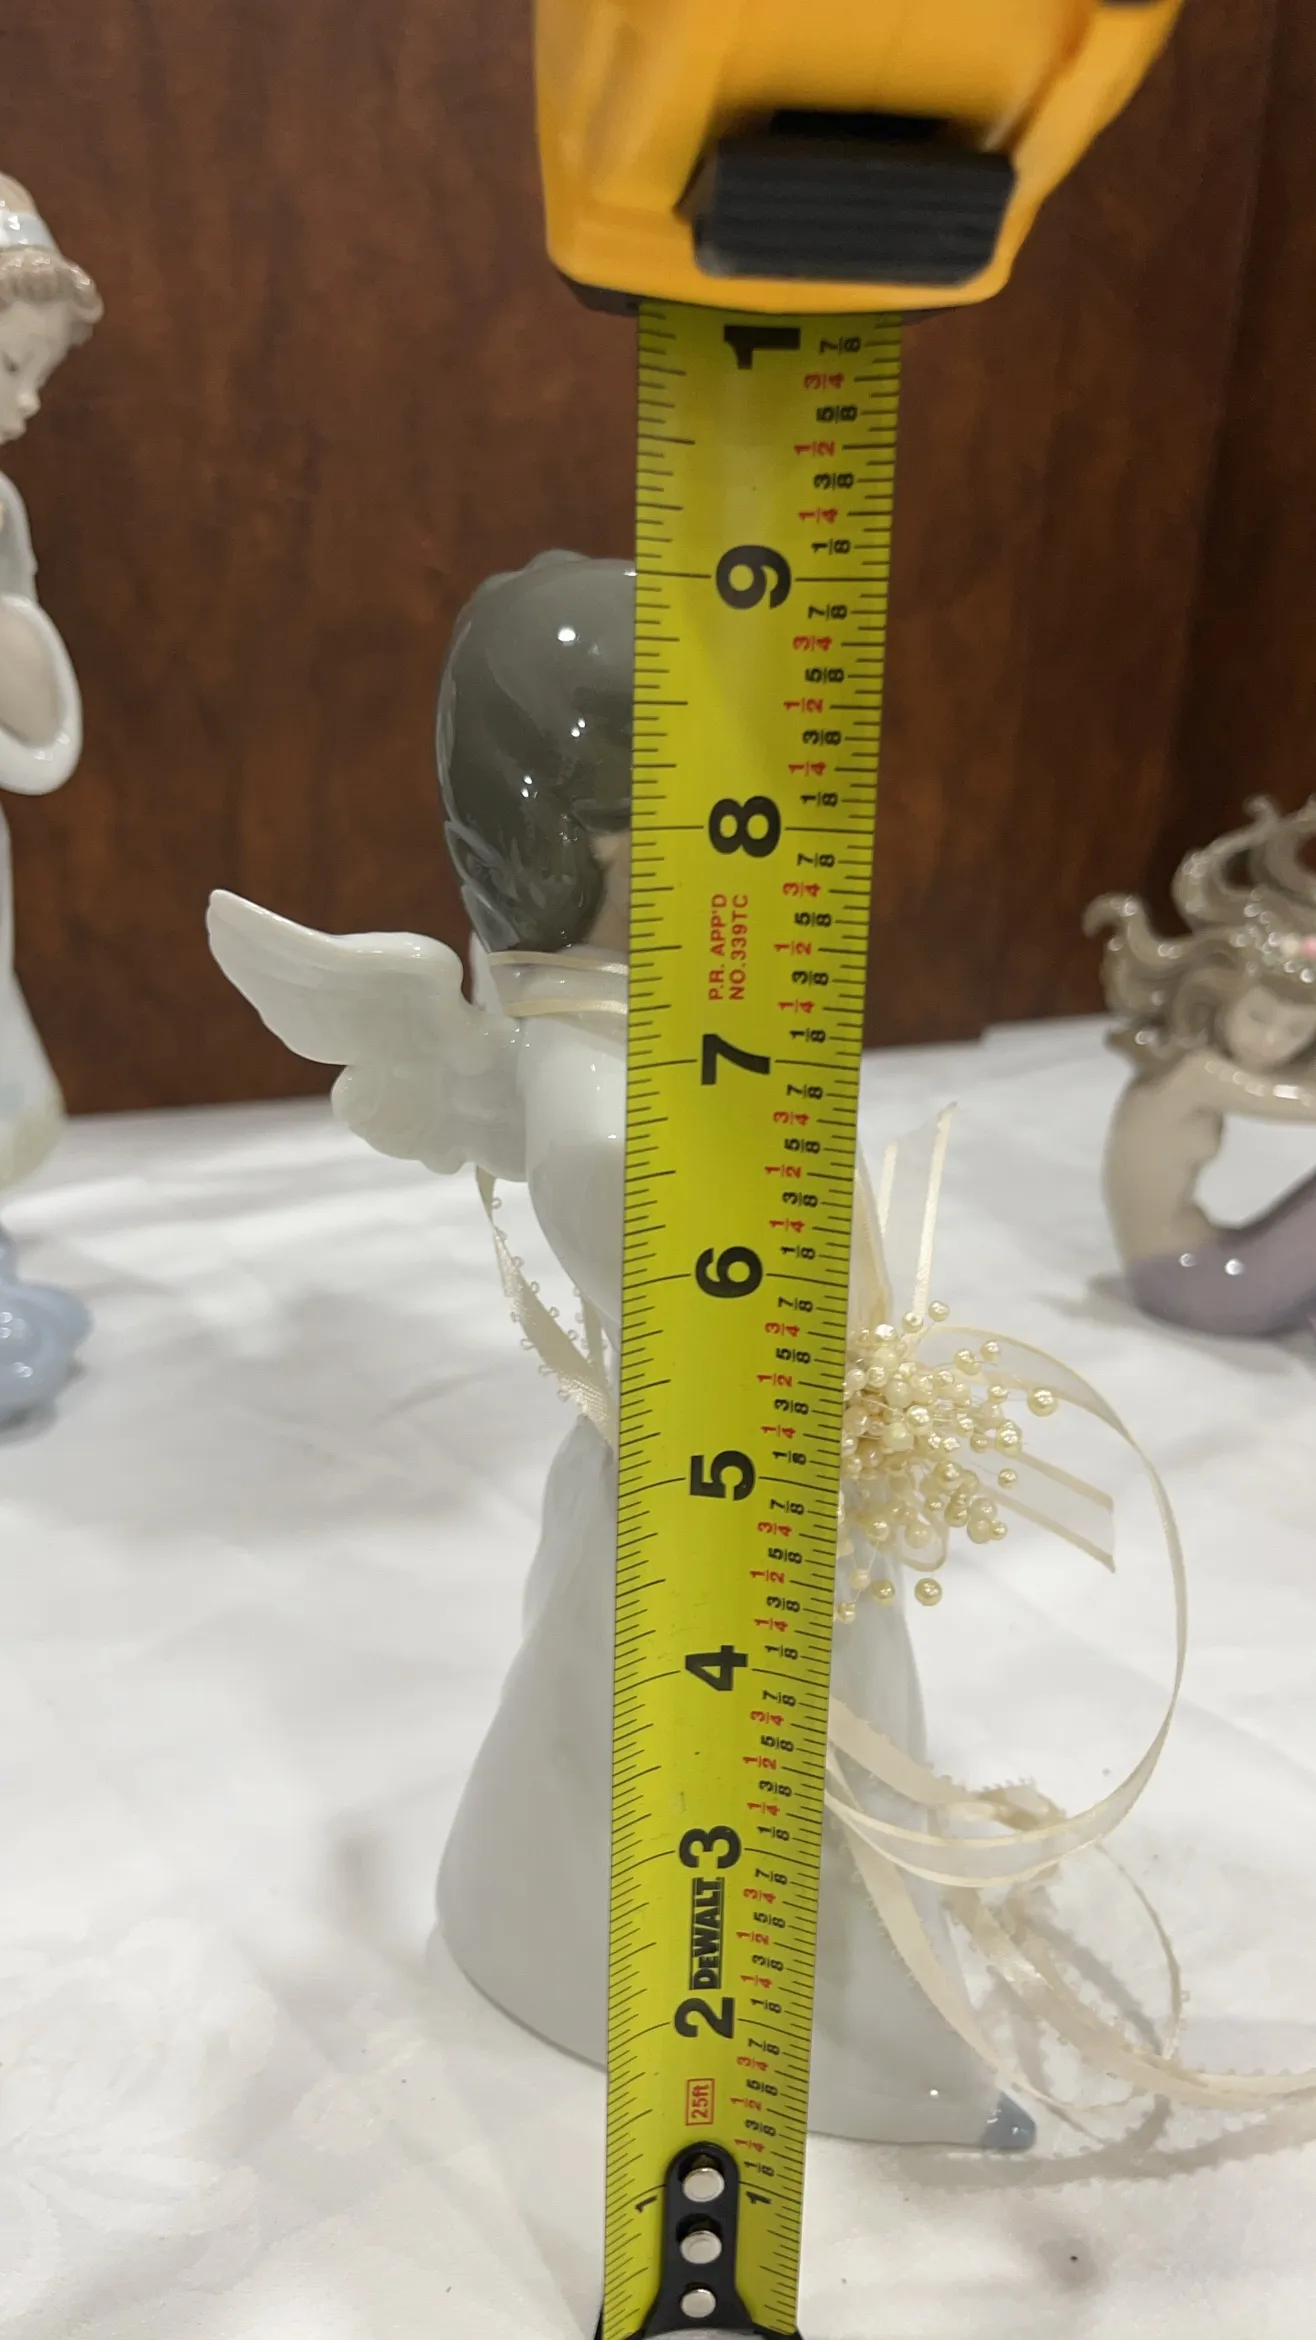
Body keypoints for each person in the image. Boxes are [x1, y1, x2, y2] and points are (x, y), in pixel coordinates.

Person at [1086, 797, 1316, 1336]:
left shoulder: (1195, 1068)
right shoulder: (1197, 1075)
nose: (1271, 1043)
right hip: (1187, 1284)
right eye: (1258, 1016)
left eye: (1297, 1032)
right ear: (1218, 996)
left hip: (1195, 1268)